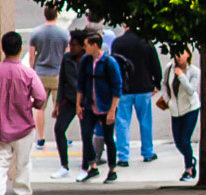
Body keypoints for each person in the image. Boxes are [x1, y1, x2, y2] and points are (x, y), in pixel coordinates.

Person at [0, 29, 48, 195]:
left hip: (0, 126)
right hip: (24, 127)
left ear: (3, 49)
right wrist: (33, 104)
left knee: (1, 161)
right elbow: (41, 97)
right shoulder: (27, 74)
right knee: (23, 163)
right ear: (20, 49)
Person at [111, 25, 163, 166]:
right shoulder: (146, 42)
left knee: (122, 123)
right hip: (144, 87)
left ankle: (123, 156)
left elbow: (114, 66)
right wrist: (156, 82)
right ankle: (147, 152)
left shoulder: (118, 43)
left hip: (124, 89)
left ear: (124, 25)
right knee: (145, 121)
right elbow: (155, 64)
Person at [77, 29, 122, 184]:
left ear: (95, 45)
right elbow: (81, 84)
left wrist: (112, 110)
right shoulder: (86, 61)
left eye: (86, 45)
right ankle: (93, 166)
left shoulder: (109, 63)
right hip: (90, 106)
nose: (84, 48)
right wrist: (79, 104)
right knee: (86, 134)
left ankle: (112, 169)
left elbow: (117, 87)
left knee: (109, 138)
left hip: (105, 106)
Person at [27, 4, 68, 147]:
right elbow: (67, 56)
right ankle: (60, 136)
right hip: (58, 75)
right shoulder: (63, 34)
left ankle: (41, 138)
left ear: (44, 14)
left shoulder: (36, 33)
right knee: (60, 107)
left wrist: (32, 71)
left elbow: (32, 55)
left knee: (40, 108)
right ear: (56, 15)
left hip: (41, 74)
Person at [49, 26, 86, 179]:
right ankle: (64, 165)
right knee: (59, 129)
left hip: (85, 101)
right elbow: (62, 80)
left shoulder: (87, 60)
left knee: (86, 134)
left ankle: (86, 166)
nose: (71, 48)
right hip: (70, 99)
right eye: (70, 45)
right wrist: (58, 104)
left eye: (74, 45)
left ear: (82, 46)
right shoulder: (67, 58)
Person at [165, 45, 202, 182]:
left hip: (190, 107)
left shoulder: (194, 71)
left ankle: (189, 168)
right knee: (178, 141)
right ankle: (190, 157)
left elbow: (191, 90)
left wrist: (181, 76)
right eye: (177, 54)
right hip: (175, 109)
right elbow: (164, 84)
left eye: (182, 53)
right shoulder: (169, 68)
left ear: (188, 55)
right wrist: (167, 100)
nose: (179, 57)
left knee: (185, 139)